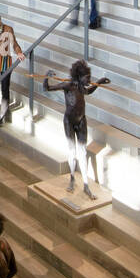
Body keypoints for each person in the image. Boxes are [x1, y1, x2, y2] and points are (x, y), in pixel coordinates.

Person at [44, 61, 109, 199]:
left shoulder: (81, 87)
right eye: (87, 77)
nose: (89, 80)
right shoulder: (68, 85)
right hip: (69, 121)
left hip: (81, 121)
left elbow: (89, 91)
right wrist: (46, 77)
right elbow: (47, 88)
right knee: (72, 150)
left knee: (82, 152)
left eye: (89, 77)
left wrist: (100, 82)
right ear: (79, 76)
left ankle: (86, 184)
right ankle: (72, 178)